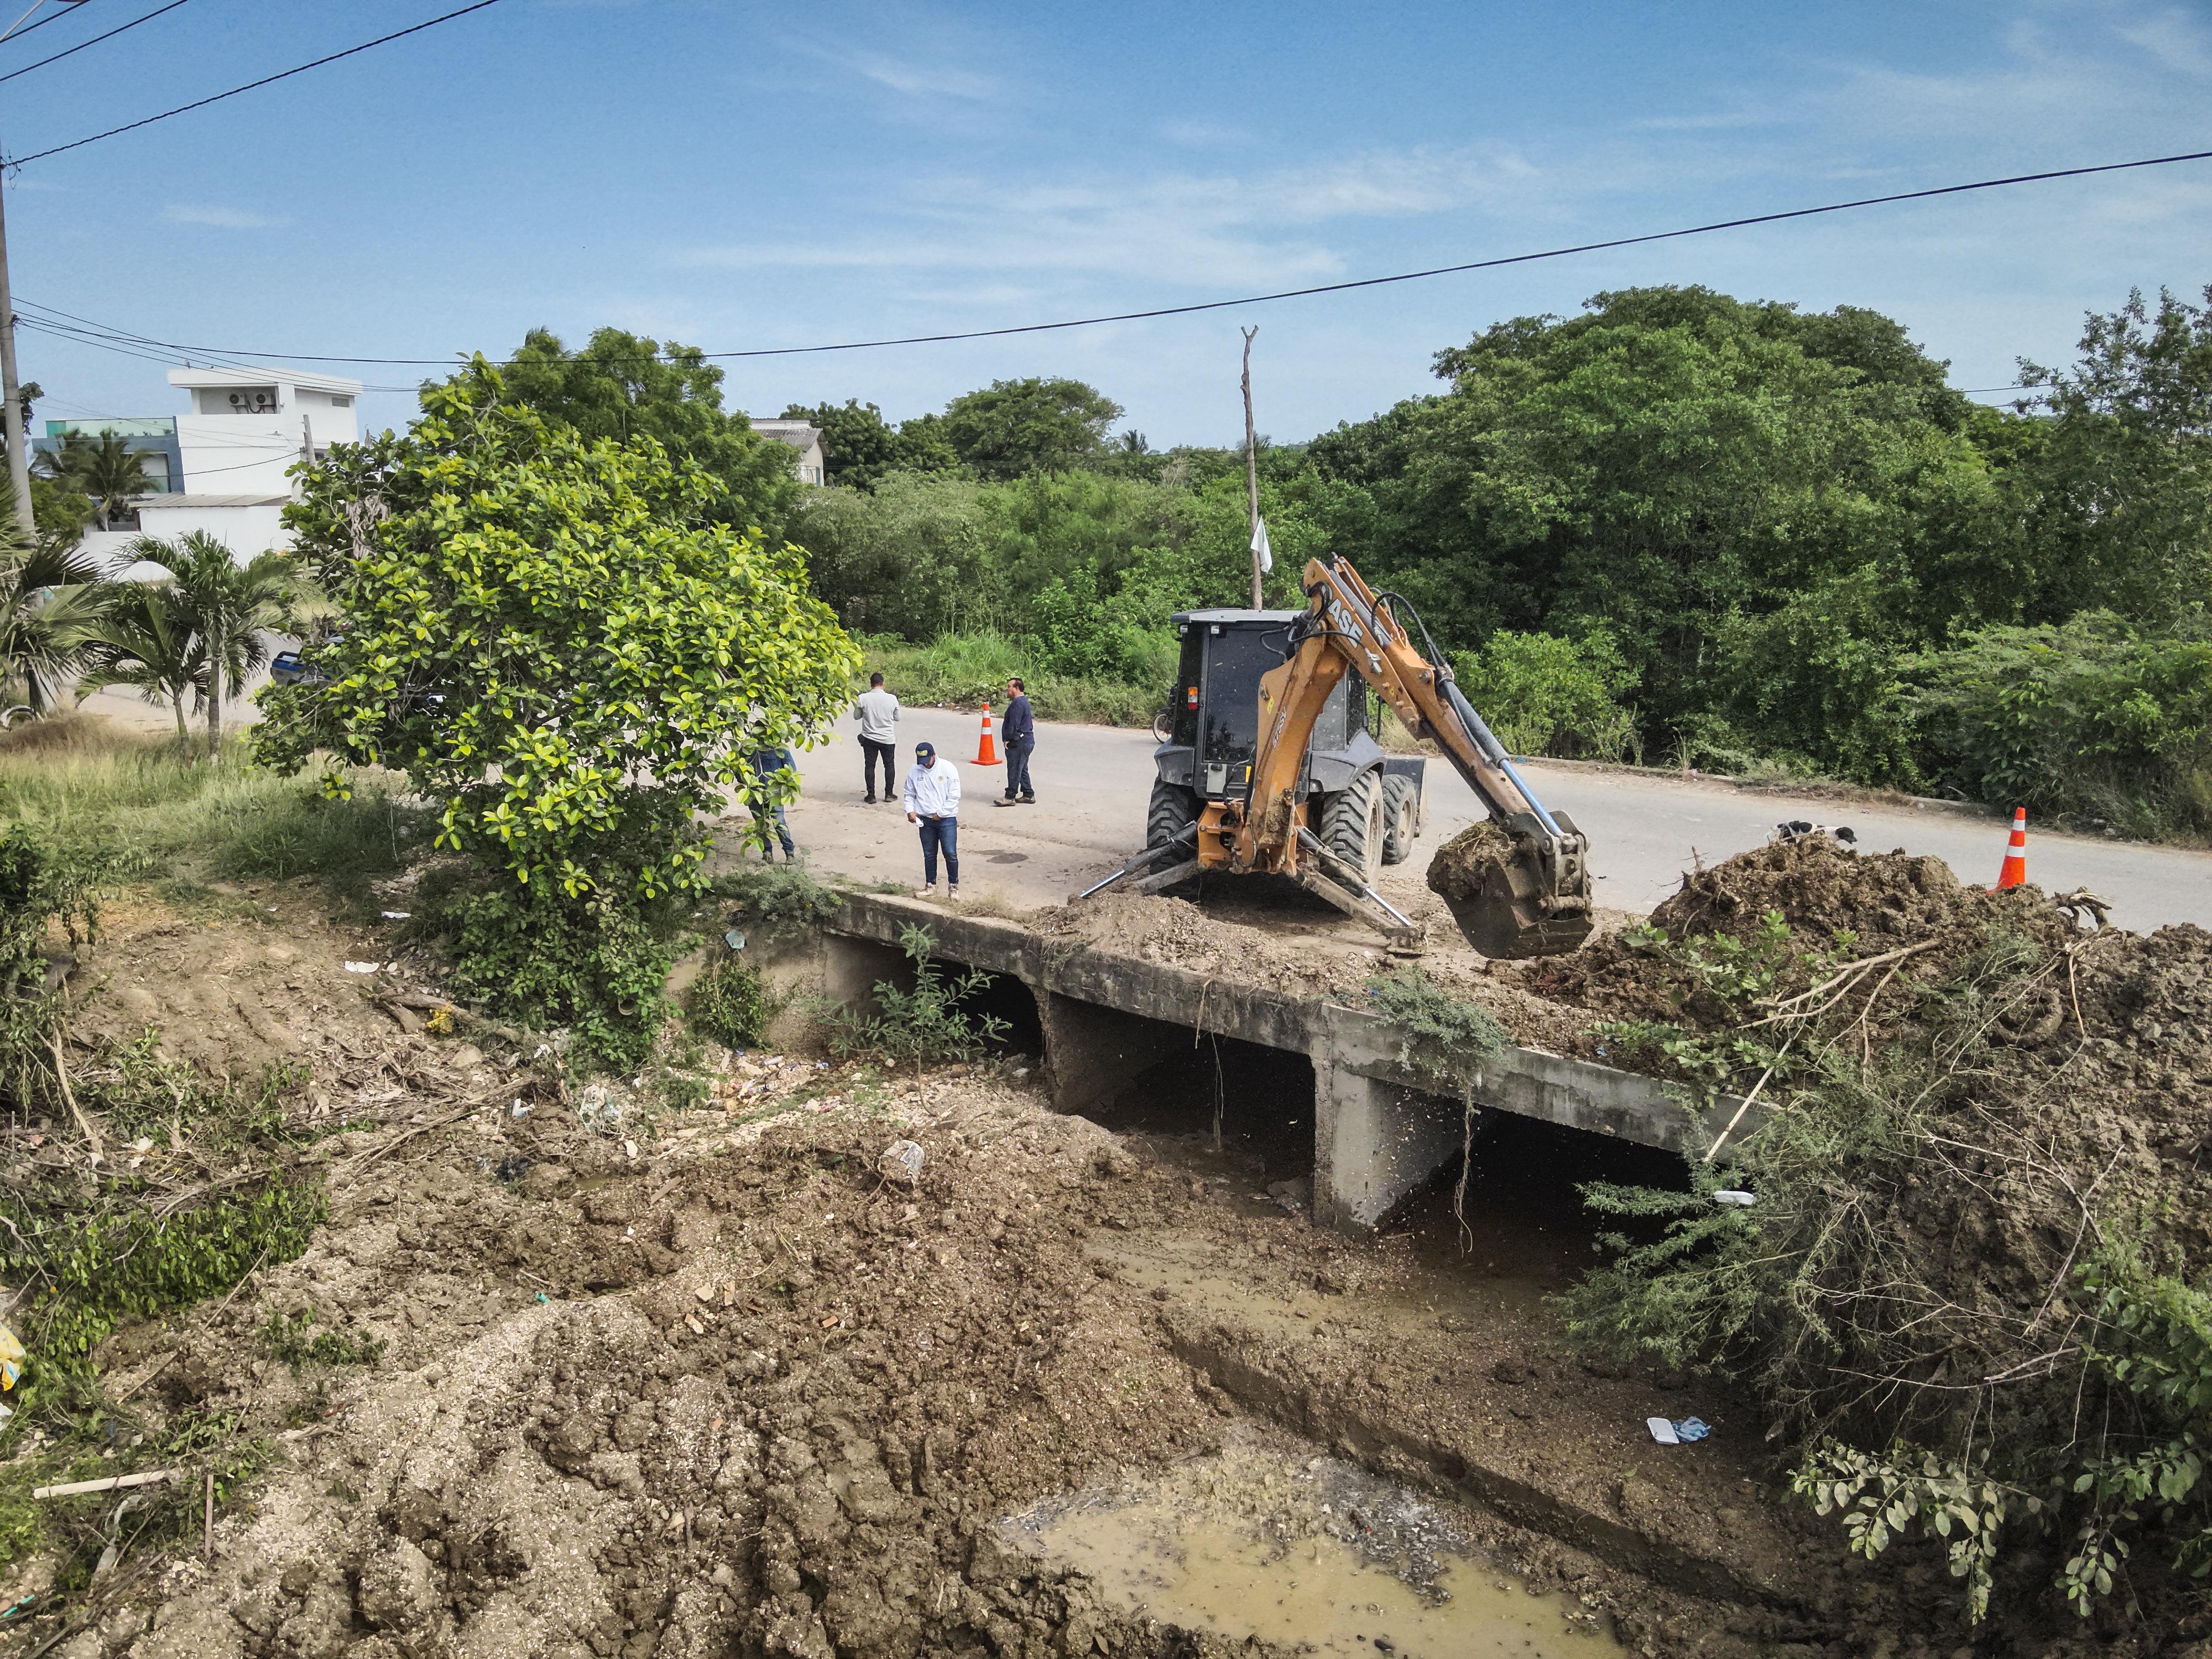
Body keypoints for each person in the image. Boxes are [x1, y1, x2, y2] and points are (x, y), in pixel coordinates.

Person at [901, 739, 961, 899]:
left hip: (946, 819)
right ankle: (930, 885)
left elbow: (954, 795)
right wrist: (910, 811)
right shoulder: (914, 770)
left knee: (950, 853)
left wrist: (940, 813)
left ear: (934, 756)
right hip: (925, 819)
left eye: (928, 761)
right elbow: (909, 793)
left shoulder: (948, 769)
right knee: (929, 854)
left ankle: (953, 886)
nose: (925, 765)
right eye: (922, 762)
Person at [744, 740, 798, 863]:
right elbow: (740, 770)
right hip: (755, 794)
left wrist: (785, 787)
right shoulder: (748, 749)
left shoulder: (779, 748)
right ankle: (767, 854)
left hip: (774, 794)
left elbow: (791, 769)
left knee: (779, 823)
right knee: (761, 824)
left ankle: (790, 853)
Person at [853, 671, 900, 804]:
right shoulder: (892, 699)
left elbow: (856, 716)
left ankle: (871, 795)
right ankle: (889, 794)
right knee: (889, 765)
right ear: (883, 684)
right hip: (888, 739)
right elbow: (897, 718)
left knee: (870, 765)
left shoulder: (863, 698)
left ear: (871, 684)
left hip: (869, 738)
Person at [994, 676, 1036, 806]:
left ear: (1017, 688)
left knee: (1014, 769)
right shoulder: (1023, 702)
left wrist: (1008, 738)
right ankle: (1028, 794)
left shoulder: (1018, 704)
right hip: (1026, 741)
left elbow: (1014, 724)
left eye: (1009, 687)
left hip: (1020, 742)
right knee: (1022, 768)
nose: (1007, 690)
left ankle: (1010, 797)